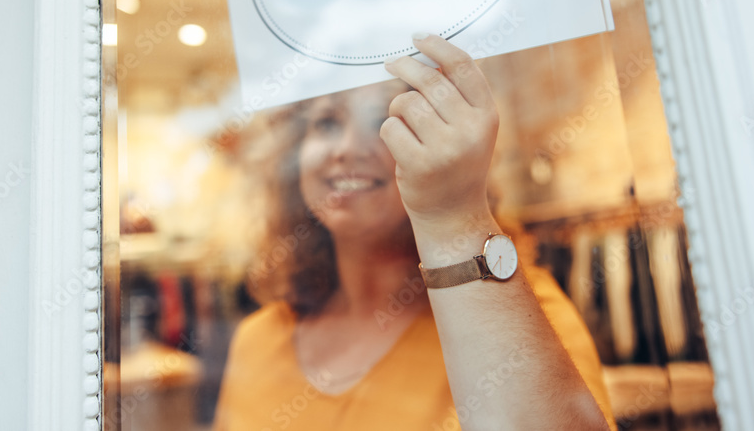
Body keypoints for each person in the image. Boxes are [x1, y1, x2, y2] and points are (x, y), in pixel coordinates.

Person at [214, 34, 616, 430]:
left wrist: (455, 215)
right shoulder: (257, 340)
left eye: (385, 121)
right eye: (327, 123)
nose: (348, 149)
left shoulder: (517, 313)